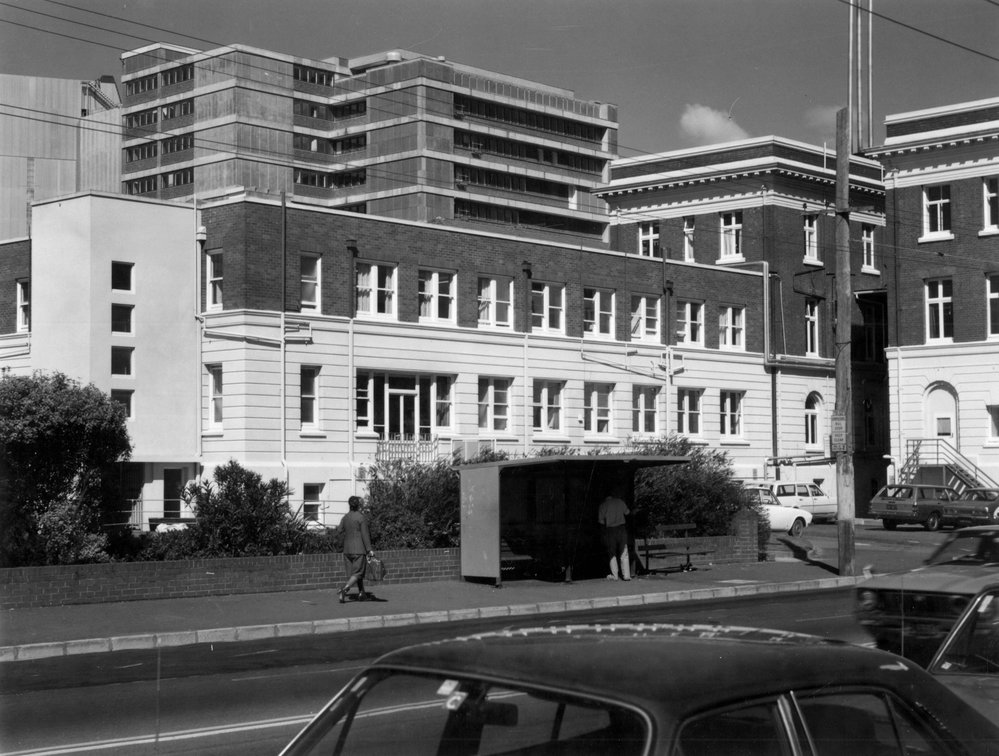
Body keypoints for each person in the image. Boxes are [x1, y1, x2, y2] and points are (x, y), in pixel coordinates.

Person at [338, 495, 375, 603]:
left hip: (347, 550)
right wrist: (369, 549)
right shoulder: (361, 517)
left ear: (349, 505)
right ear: (358, 505)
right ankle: (344, 590)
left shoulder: (345, 517)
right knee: (358, 573)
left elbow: (339, 530)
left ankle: (361, 593)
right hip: (358, 549)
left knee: (355, 574)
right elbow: (365, 535)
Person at [597, 487, 631, 581]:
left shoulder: (603, 505)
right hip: (622, 528)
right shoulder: (620, 501)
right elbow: (627, 512)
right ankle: (626, 575)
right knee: (624, 551)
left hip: (610, 529)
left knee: (612, 552)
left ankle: (615, 575)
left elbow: (601, 521)